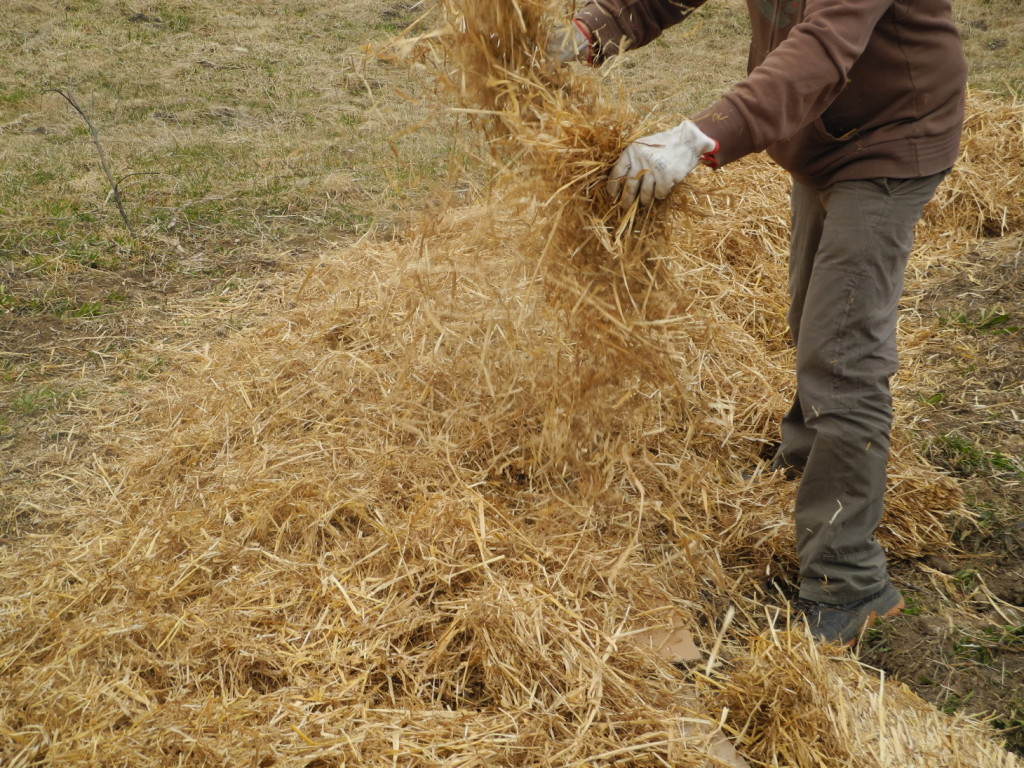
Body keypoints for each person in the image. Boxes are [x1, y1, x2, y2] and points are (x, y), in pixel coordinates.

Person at [550, 0, 968, 645]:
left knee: (843, 353)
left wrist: (698, 137)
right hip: (822, 132)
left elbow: (826, 45)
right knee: (815, 315)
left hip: (890, 137)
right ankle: (811, 457)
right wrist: (590, 29)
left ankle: (849, 580)